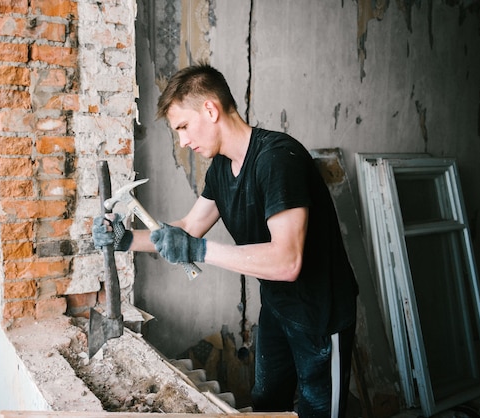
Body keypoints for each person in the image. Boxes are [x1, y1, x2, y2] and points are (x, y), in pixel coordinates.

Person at [93, 62, 358, 417]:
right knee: (267, 403)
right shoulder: (221, 168)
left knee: (319, 410)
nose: (184, 141)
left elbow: (287, 260)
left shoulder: (278, 159)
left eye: (184, 127)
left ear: (210, 108)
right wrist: (127, 241)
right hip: (279, 308)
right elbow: (188, 229)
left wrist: (200, 251)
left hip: (321, 315)